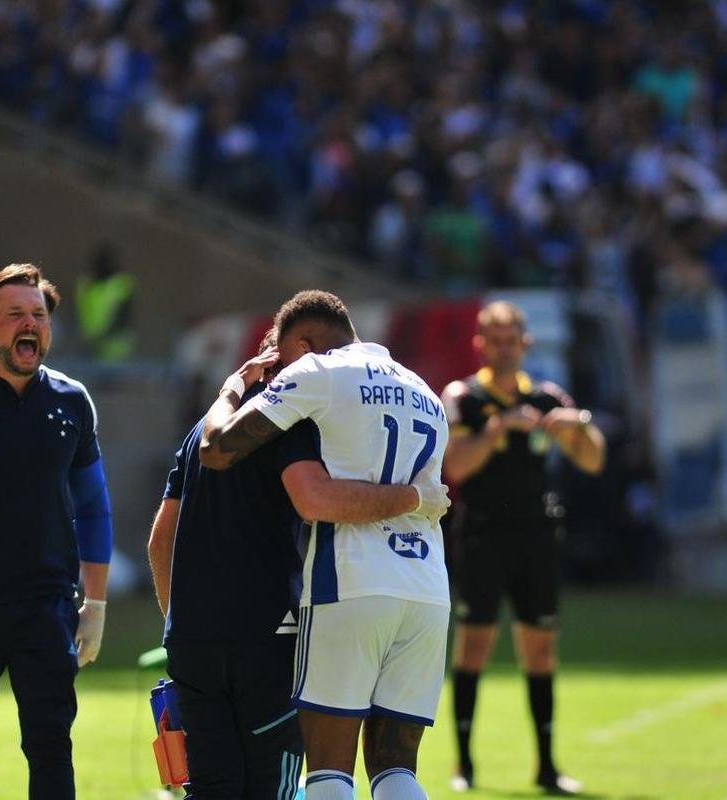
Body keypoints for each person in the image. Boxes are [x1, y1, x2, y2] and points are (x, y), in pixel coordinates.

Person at [147, 330, 450, 800]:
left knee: (211, 789)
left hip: (194, 640)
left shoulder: (201, 432)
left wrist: (178, 623)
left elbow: (159, 540)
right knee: (299, 785)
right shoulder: (299, 427)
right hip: (276, 633)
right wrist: (414, 498)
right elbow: (315, 498)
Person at [0, 264, 113, 800]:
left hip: (46, 606)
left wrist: (94, 604)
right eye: (14, 315)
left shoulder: (72, 401)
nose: (29, 324)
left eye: (38, 315)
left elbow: (94, 506)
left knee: (51, 744)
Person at [440, 301, 605, 796]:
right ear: (481, 345)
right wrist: (496, 431)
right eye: (496, 340)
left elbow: (592, 459)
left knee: (541, 651)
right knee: (473, 647)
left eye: (513, 339)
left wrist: (577, 427)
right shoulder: (465, 397)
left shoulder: (548, 397)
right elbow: (456, 468)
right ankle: (465, 765)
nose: (506, 348)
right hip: (484, 535)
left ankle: (547, 766)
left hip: (536, 536)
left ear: (525, 344)